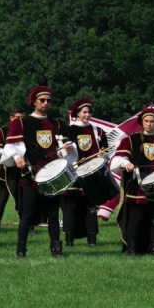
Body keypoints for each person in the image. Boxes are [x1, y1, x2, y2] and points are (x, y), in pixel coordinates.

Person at [0, 86, 76, 258]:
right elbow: (11, 146)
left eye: (48, 100)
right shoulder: (22, 122)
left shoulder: (56, 123)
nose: (46, 103)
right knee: (27, 214)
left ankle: (56, 250)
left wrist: (70, 148)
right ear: (34, 102)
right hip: (31, 174)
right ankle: (21, 250)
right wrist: (17, 157)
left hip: (53, 174)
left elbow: (65, 146)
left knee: (53, 214)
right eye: (42, 100)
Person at [110, 108, 154, 256]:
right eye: (146, 121)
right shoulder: (130, 140)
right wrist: (125, 163)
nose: (149, 124)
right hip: (137, 185)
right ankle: (132, 249)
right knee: (136, 217)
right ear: (141, 122)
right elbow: (116, 159)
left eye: (152, 121)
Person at [61, 97, 105, 247]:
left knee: (91, 208)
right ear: (77, 113)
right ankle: (69, 239)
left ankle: (92, 240)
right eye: (84, 112)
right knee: (71, 207)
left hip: (92, 174)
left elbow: (105, 152)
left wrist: (102, 155)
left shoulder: (98, 130)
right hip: (74, 174)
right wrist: (67, 150)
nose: (87, 115)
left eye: (89, 112)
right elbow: (62, 152)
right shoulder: (69, 130)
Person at [0, 106, 24, 233]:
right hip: (7, 169)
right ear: (11, 118)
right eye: (17, 118)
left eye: (21, 118)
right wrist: (9, 153)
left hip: (23, 169)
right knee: (3, 197)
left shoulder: (26, 130)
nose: (19, 120)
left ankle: (28, 225)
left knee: (24, 198)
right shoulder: (2, 131)